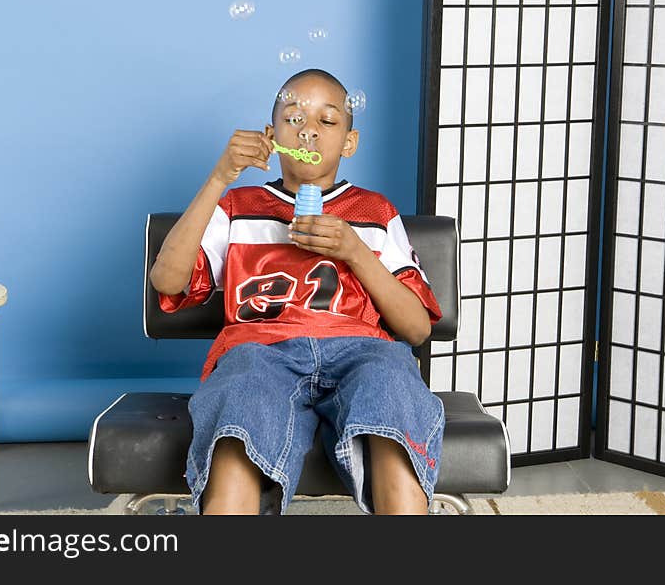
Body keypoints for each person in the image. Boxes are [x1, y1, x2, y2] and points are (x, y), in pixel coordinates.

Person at [149, 68, 444, 515]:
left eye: (327, 122)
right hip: (259, 351)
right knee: (240, 406)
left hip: (362, 352)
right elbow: (168, 282)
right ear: (272, 135)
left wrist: (354, 250)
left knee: (390, 390)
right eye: (294, 119)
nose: (308, 130)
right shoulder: (237, 206)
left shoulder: (375, 212)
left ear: (349, 142)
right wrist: (219, 177)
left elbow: (417, 329)